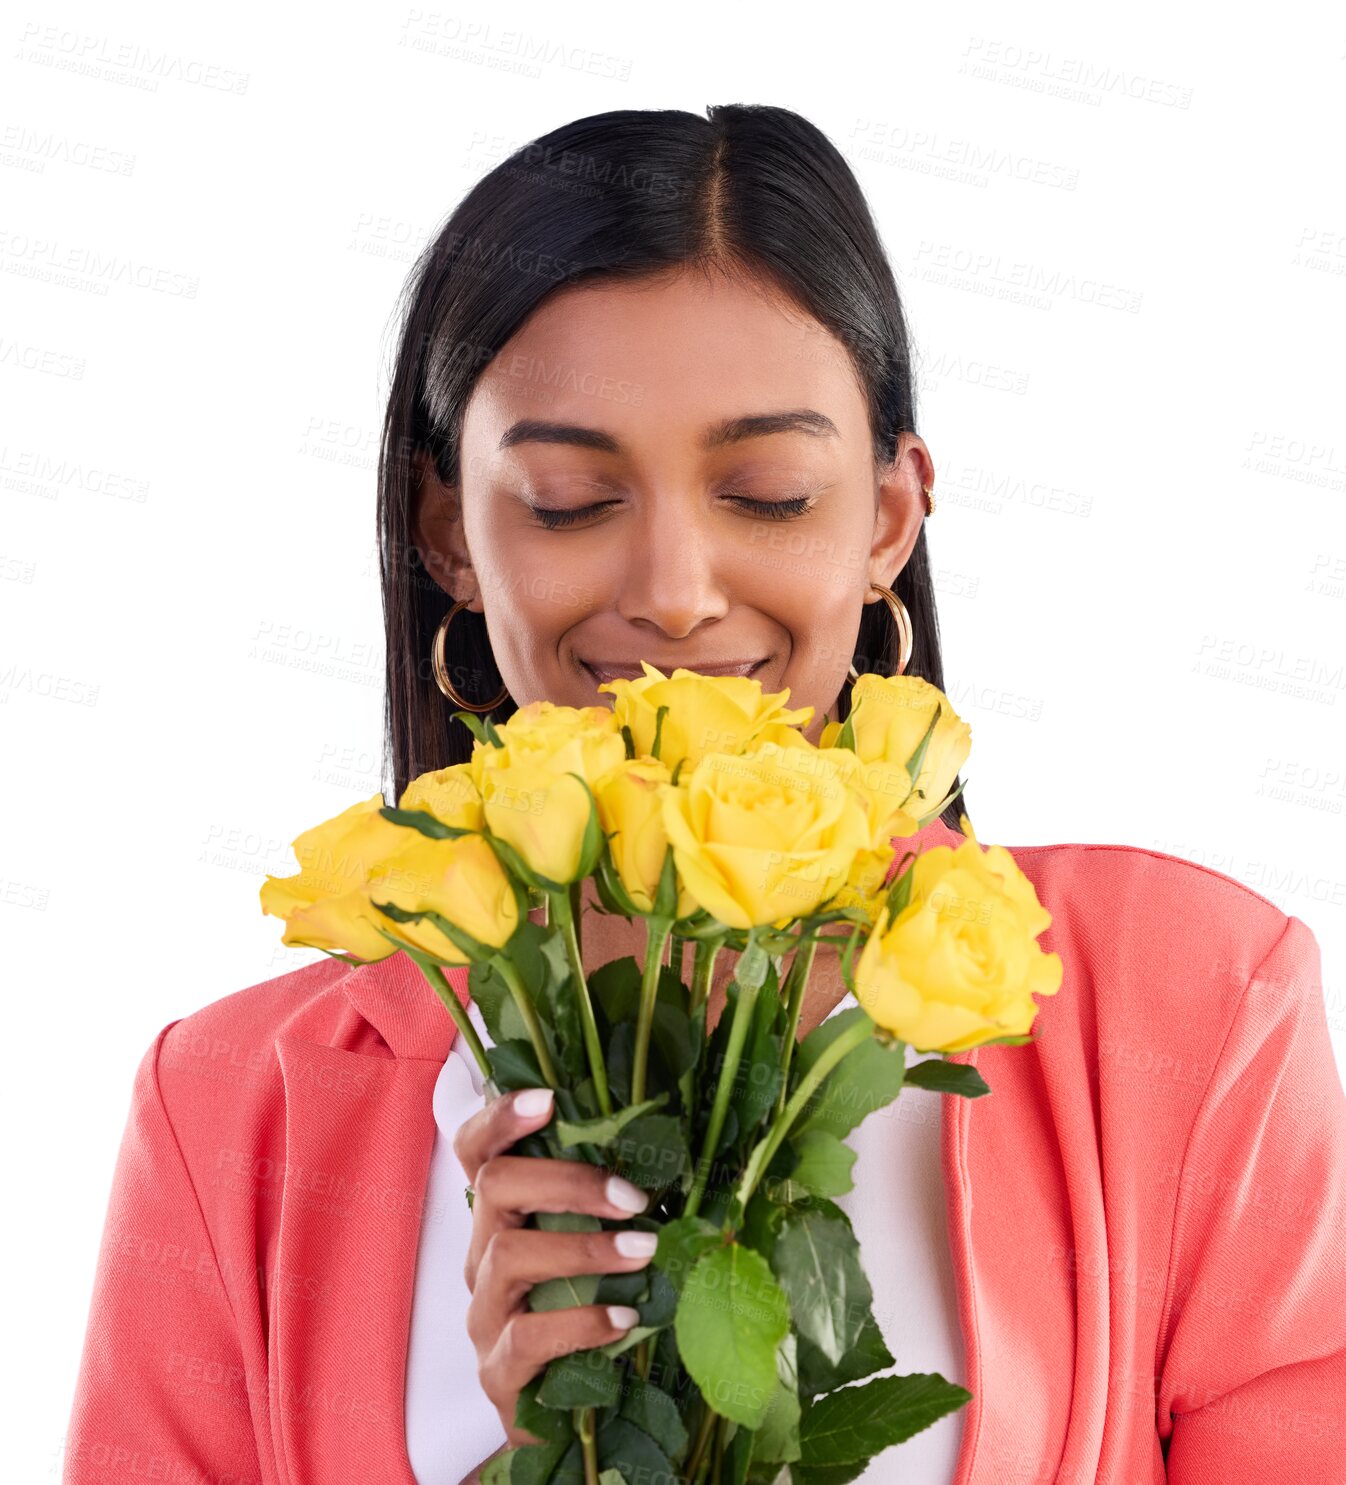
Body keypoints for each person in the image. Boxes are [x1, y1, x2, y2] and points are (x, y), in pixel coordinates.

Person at [63, 105, 1346, 1485]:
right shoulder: (226, 1110)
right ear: (449, 533)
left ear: (887, 520)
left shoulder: (1193, 1003)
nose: (673, 590)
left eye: (768, 491)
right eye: (566, 498)